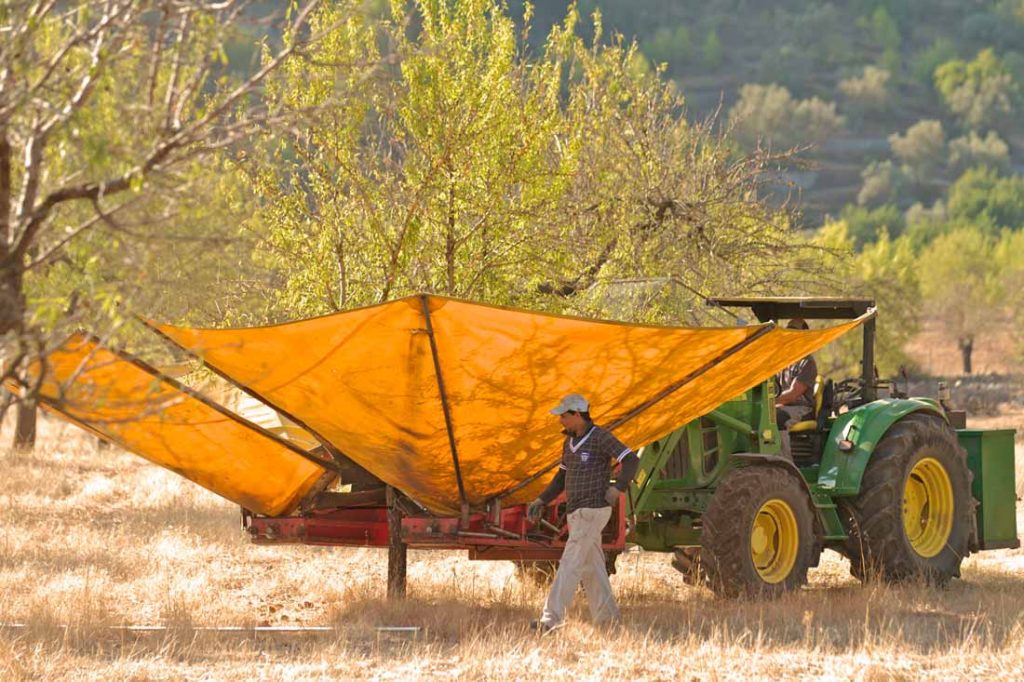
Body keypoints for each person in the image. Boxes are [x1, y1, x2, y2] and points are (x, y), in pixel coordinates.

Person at [526, 393, 640, 633]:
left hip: (593, 509)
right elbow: (562, 477)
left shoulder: (600, 437)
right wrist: (541, 499)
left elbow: (630, 460)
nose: (561, 421)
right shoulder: (568, 443)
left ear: (578, 414)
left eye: (564, 416)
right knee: (592, 567)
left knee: (570, 562)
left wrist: (618, 488)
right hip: (576, 512)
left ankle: (550, 620)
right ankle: (609, 621)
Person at [775, 318, 818, 428]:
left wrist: (769, 402)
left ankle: (782, 446)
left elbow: (793, 395)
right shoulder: (781, 361)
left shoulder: (807, 363)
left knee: (777, 418)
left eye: (795, 334)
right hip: (782, 405)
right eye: (789, 334)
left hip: (801, 408)